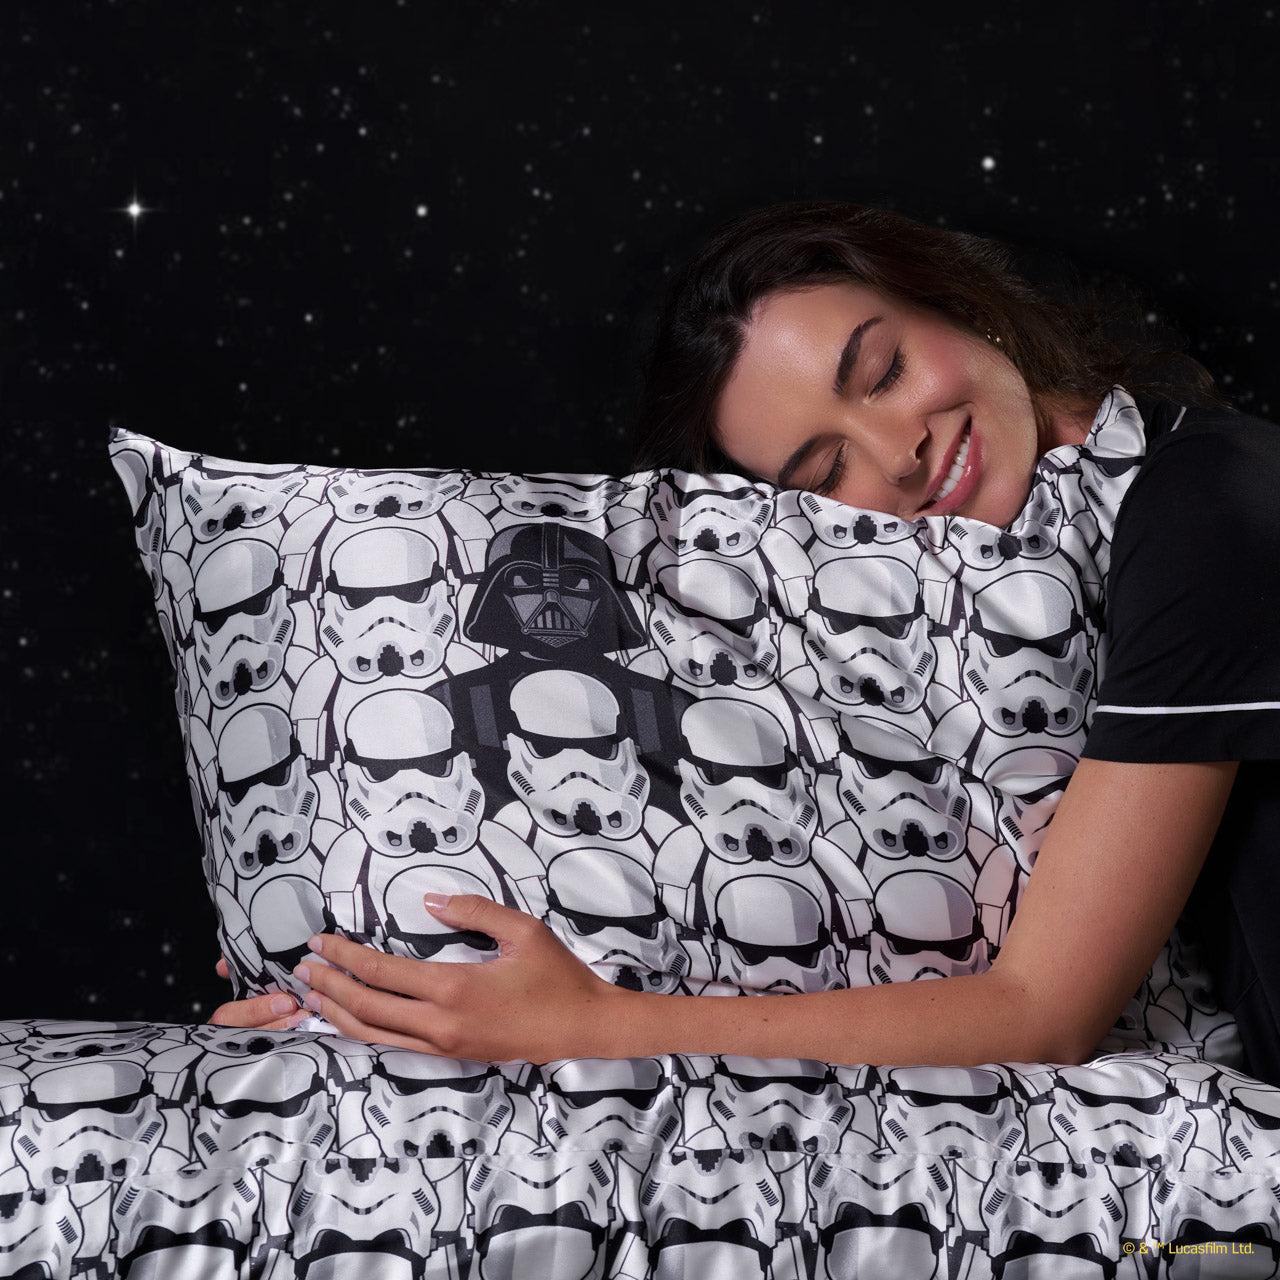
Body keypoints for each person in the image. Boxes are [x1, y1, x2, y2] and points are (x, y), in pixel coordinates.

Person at [210, 202, 1280, 1082]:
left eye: (884, 369)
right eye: (824, 472)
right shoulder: (989, 593)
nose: (896, 453)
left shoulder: (1208, 504)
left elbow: (1043, 1009)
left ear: (962, 309)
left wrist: (590, 1025)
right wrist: (350, 963)